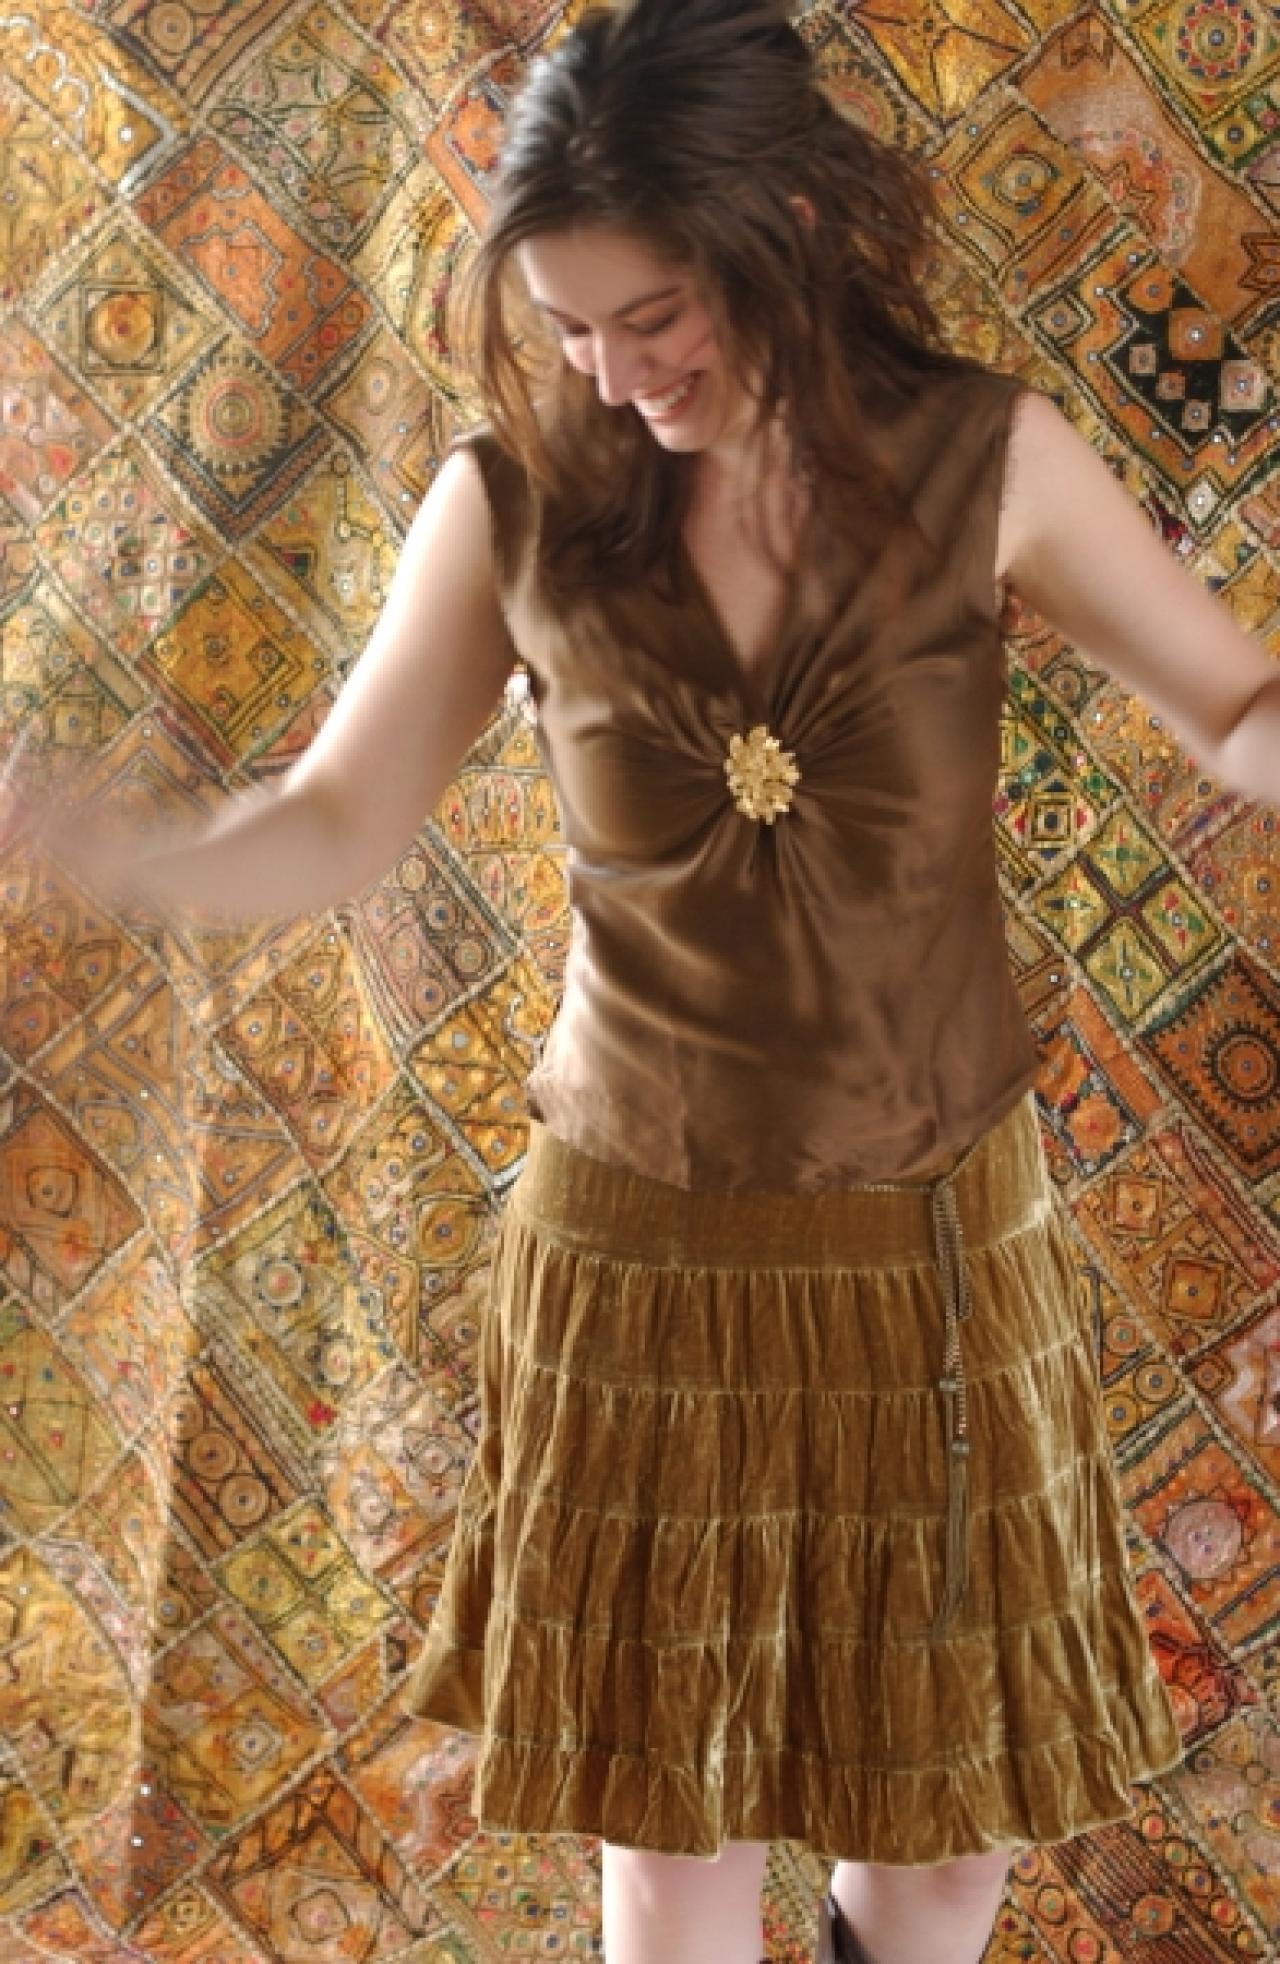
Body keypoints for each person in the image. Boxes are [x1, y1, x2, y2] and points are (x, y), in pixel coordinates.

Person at [4, 1, 1275, 1959]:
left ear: (785, 227)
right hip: (640, 1241)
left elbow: (1237, 706)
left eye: (654, 315)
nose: (612, 368)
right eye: (572, 326)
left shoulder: (986, 457)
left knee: (942, 1843)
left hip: (937, 1238)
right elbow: (335, 821)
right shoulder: (512, 504)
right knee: (671, 1842)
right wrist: (115, 849)